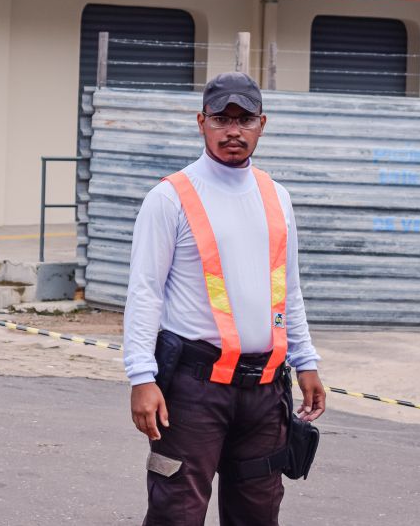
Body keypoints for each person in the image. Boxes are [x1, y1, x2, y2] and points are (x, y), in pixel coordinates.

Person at [124, 72, 326, 526]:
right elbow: (144, 292)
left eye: (245, 119)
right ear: (202, 122)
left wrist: (306, 361)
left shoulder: (277, 197)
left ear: (261, 124)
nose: (233, 130)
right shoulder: (169, 198)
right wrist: (141, 377)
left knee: (257, 514)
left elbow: (289, 291)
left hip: (265, 391)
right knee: (176, 513)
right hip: (192, 391)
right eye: (221, 118)